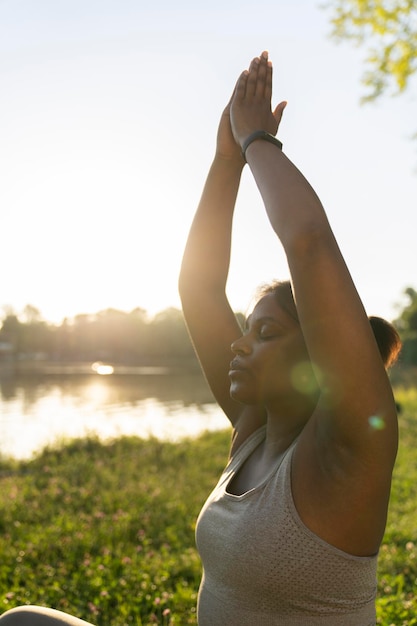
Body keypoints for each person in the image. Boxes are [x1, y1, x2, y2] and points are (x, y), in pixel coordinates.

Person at [178, 50, 401, 625]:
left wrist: (257, 142)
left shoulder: (347, 450)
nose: (238, 344)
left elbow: (308, 242)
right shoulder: (253, 431)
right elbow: (200, 289)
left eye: (267, 332)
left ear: (319, 356)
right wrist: (224, 159)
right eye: (248, 331)